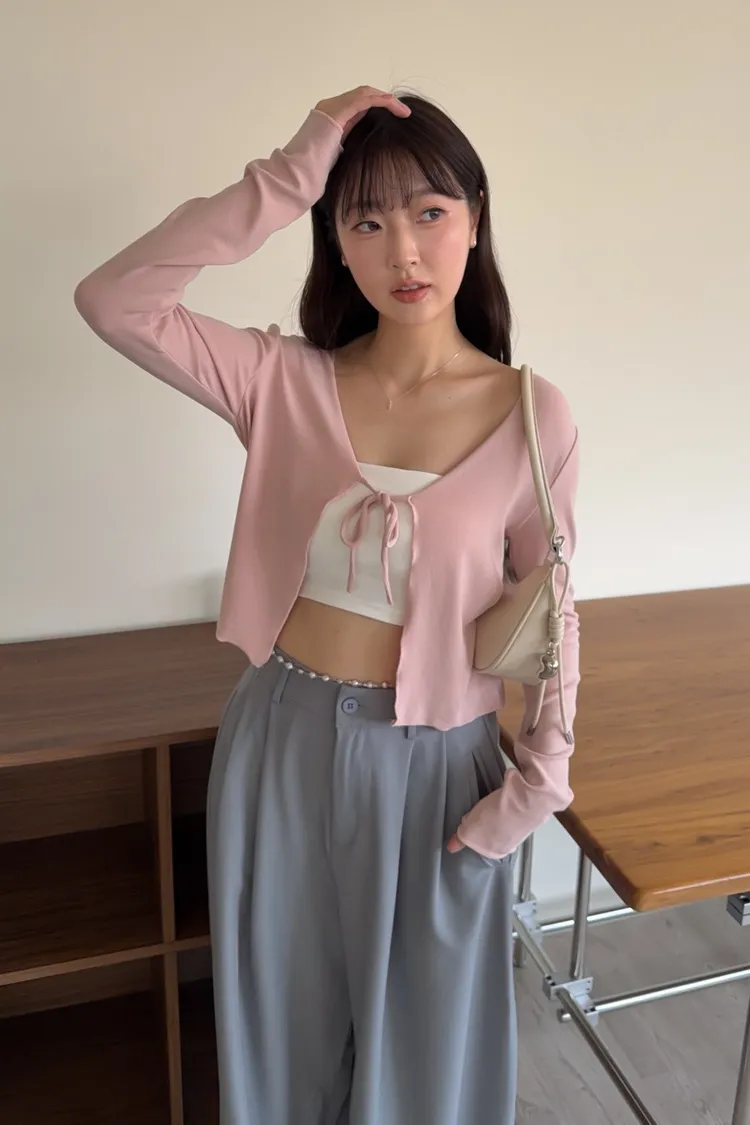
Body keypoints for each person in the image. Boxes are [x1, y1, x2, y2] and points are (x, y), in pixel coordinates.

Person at [75, 85, 580, 1125]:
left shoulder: (531, 414)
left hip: (441, 766)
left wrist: (540, 783)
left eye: (429, 212)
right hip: (284, 741)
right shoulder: (281, 381)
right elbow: (115, 298)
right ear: (335, 243)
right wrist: (290, 172)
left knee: (428, 1063)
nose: (405, 250)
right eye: (367, 220)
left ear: (475, 219)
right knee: (280, 1044)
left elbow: (555, 607)